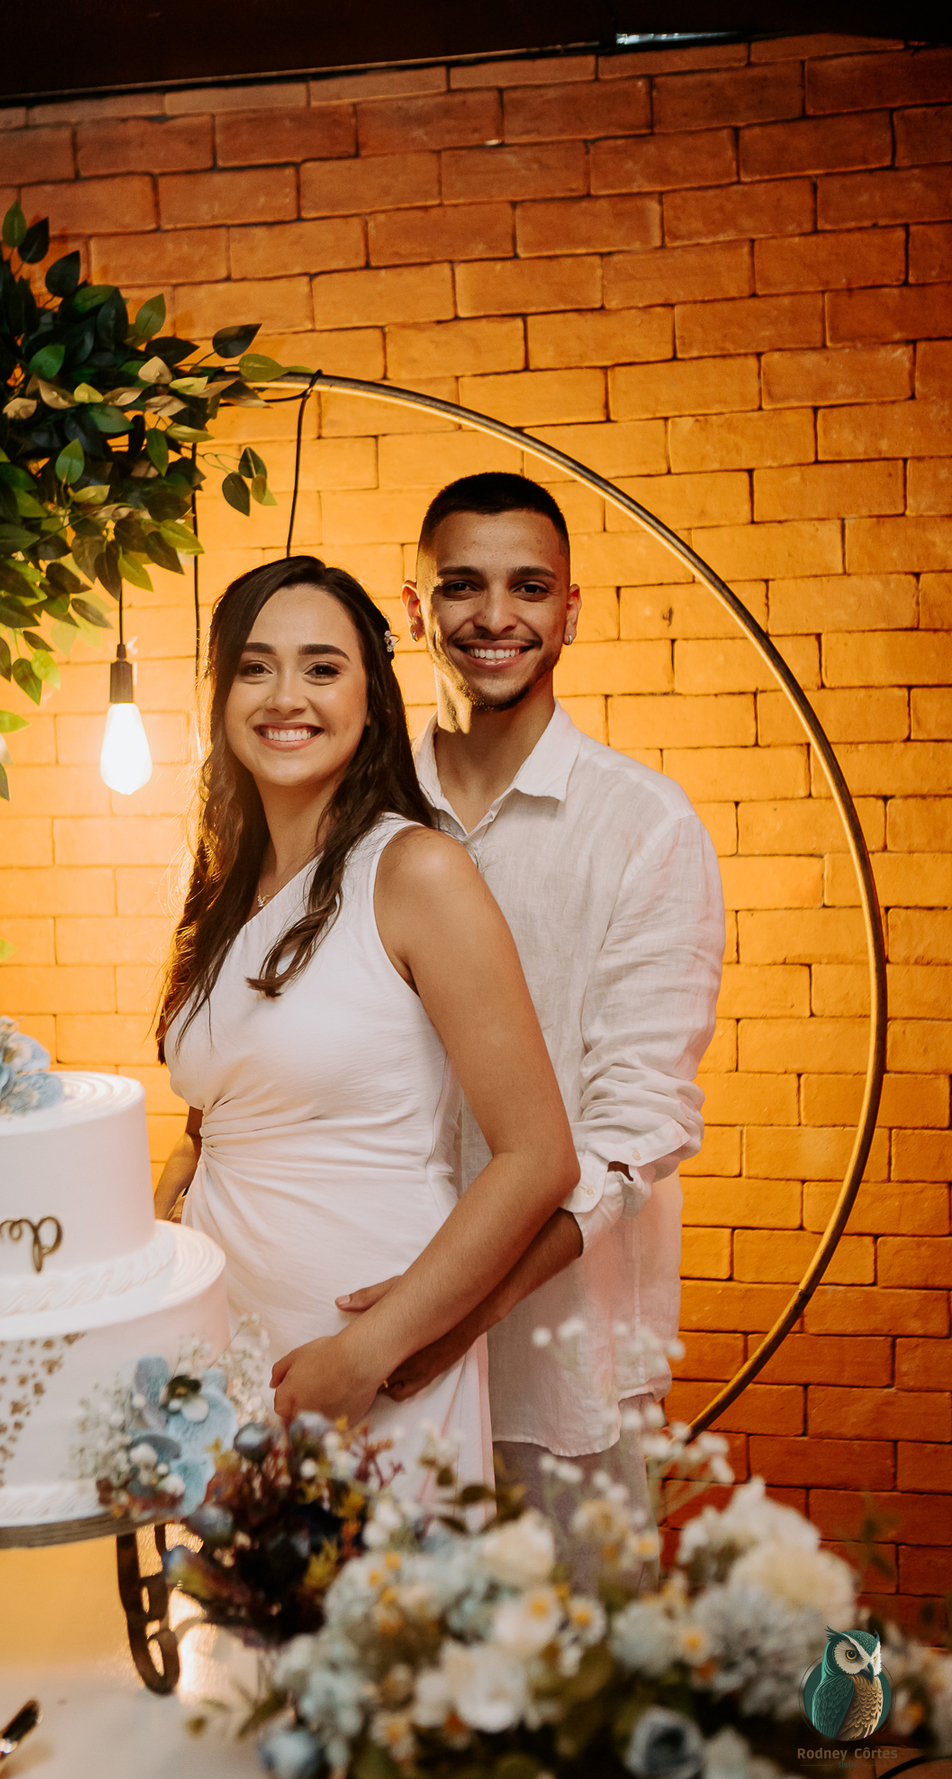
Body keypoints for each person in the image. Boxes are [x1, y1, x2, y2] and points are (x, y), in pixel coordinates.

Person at [338, 473, 726, 1526]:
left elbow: (634, 1128)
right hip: (355, 1327)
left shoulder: (645, 827)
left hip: (561, 1363)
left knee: (573, 1633)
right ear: (414, 608)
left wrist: (460, 1313)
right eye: (462, 585)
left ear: (570, 612)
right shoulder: (353, 816)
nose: (495, 616)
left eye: (530, 587)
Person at [153, 554, 580, 1495]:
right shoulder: (223, 885)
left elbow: (539, 1158)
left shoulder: (417, 873)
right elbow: (240, 1089)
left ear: (370, 697)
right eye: (254, 667)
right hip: (224, 1345)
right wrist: (180, 1178)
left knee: (373, 1589)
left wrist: (369, 1350)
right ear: (221, 696)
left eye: (322, 667)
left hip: (365, 1362)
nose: (285, 696)